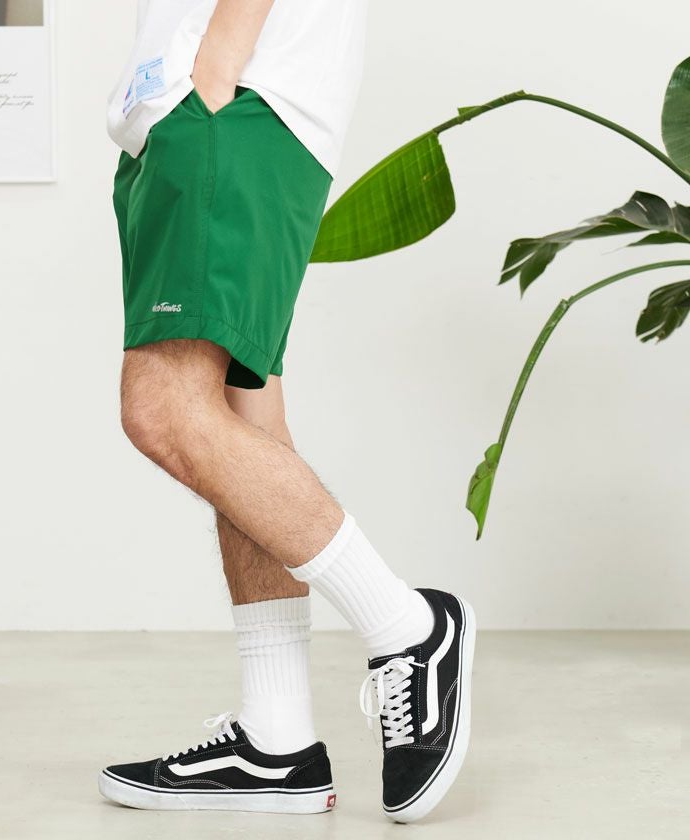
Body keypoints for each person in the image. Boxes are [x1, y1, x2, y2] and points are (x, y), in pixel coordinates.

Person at [100, 0, 475, 823]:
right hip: (201, 111)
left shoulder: (226, 92)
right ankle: (277, 741)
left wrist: (214, 69)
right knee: (241, 416)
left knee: (163, 409)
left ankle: (408, 627)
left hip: (229, 105)